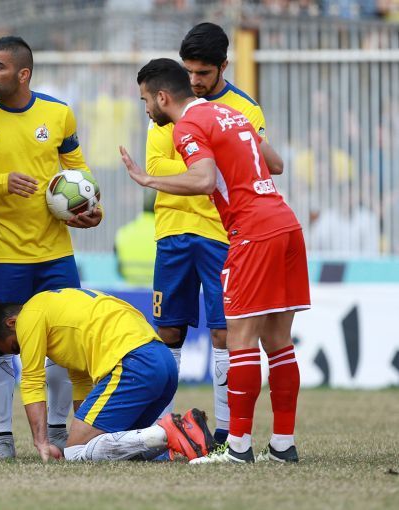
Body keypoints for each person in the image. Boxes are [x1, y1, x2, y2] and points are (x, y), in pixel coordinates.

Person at [121, 58, 310, 464]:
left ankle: (237, 448)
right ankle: (282, 445)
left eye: (145, 100)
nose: (146, 109)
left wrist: (148, 180)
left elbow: (204, 179)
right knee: (278, 343)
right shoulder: (230, 112)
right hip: (286, 224)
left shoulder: (187, 125)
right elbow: (275, 164)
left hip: (252, 232)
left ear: (162, 97)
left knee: (240, 342)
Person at [0, 36, 103, 459]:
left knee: (64, 346)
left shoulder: (58, 114)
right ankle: (4, 439)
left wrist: (94, 211)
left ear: (23, 74)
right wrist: (2, 182)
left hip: (55, 253)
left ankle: (57, 433)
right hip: (3, 254)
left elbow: (80, 175)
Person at [144, 23, 284, 445]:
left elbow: (259, 165)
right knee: (168, 332)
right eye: (188, 71)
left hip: (223, 234)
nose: (194, 81)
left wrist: (200, 166)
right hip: (172, 230)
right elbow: (157, 166)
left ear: (224, 66)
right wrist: (213, 161)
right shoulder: (168, 100)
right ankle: (163, 432)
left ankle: (224, 432)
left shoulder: (244, 109)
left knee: (224, 333)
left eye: (202, 73)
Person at [0, 288, 215, 462]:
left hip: (134, 363)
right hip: (162, 361)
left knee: (75, 452)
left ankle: (169, 431)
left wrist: (42, 442)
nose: (22, 351)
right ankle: (185, 438)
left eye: (16, 346)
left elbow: (32, 380)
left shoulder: (29, 315)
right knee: (121, 447)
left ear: (12, 323)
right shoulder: (58, 308)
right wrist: (86, 429)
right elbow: (81, 381)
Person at [114, 189, 156, 287]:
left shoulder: (124, 231)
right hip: (158, 290)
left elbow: (118, 267)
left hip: (129, 288)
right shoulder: (164, 233)